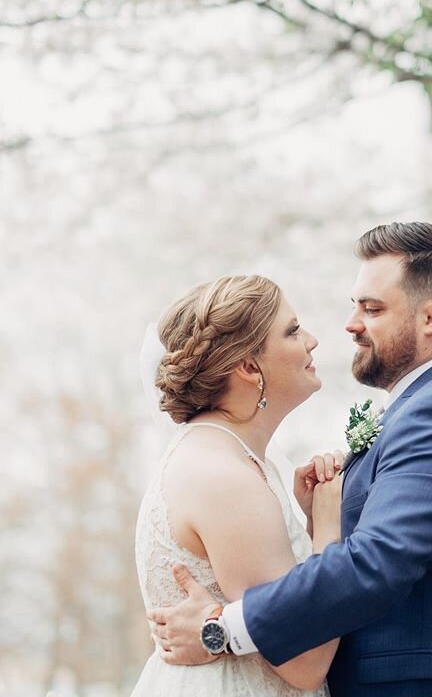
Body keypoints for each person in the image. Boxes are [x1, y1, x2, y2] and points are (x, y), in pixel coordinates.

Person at [149, 221, 432, 697]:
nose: (350, 324)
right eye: (354, 305)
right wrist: (319, 524)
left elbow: (377, 560)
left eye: (372, 309)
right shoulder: (421, 409)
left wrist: (221, 630)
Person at [130, 275, 344, 697]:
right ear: (248, 367)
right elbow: (305, 661)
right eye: (293, 330)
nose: (312, 341)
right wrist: (329, 530)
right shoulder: (222, 476)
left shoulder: (226, 457)